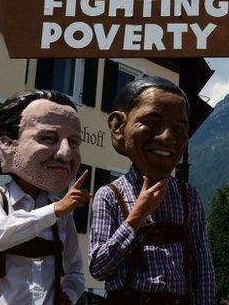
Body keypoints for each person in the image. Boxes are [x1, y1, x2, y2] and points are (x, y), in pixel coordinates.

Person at [89, 77, 215, 304]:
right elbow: (98, 268)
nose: (167, 137)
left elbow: (203, 268)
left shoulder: (189, 197)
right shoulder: (109, 195)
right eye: (153, 122)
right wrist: (135, 218)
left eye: (179, 128)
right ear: (119, 127)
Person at [0, 90, 89, 305]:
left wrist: (68, 294)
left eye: (74, 142)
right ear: (8, 145)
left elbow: (75, 269)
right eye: (49, 138)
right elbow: (0, 234)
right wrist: (56, 210)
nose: (66, 153)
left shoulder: (61, 214)